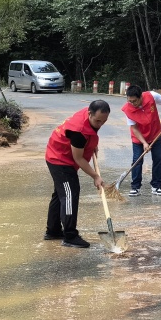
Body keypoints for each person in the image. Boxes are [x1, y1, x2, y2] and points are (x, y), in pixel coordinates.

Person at [44, 100, 110, 248]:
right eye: (98, 121)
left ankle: (53, 231)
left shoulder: (89, 116)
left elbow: (89, 133)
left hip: (59, 153)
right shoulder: (78, 131)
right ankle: (70, 236)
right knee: (69, 194)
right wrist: (95, 176)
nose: (100, 124)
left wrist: (91, 145)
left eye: (104, 121)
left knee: (60, 194)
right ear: (89, 113)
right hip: (59, 159)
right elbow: (78, 158)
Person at [122, 84, 161, 196]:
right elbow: (134, 128)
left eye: (134, 101)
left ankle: (156, 185)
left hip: (155, 134)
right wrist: (144, 143)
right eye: (130, 101)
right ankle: (135, 187)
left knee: (157, 159)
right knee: (137, 160)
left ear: (141, 97)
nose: (132, 103)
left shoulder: (151, 96)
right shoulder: (128, 109)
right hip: (138, 138)